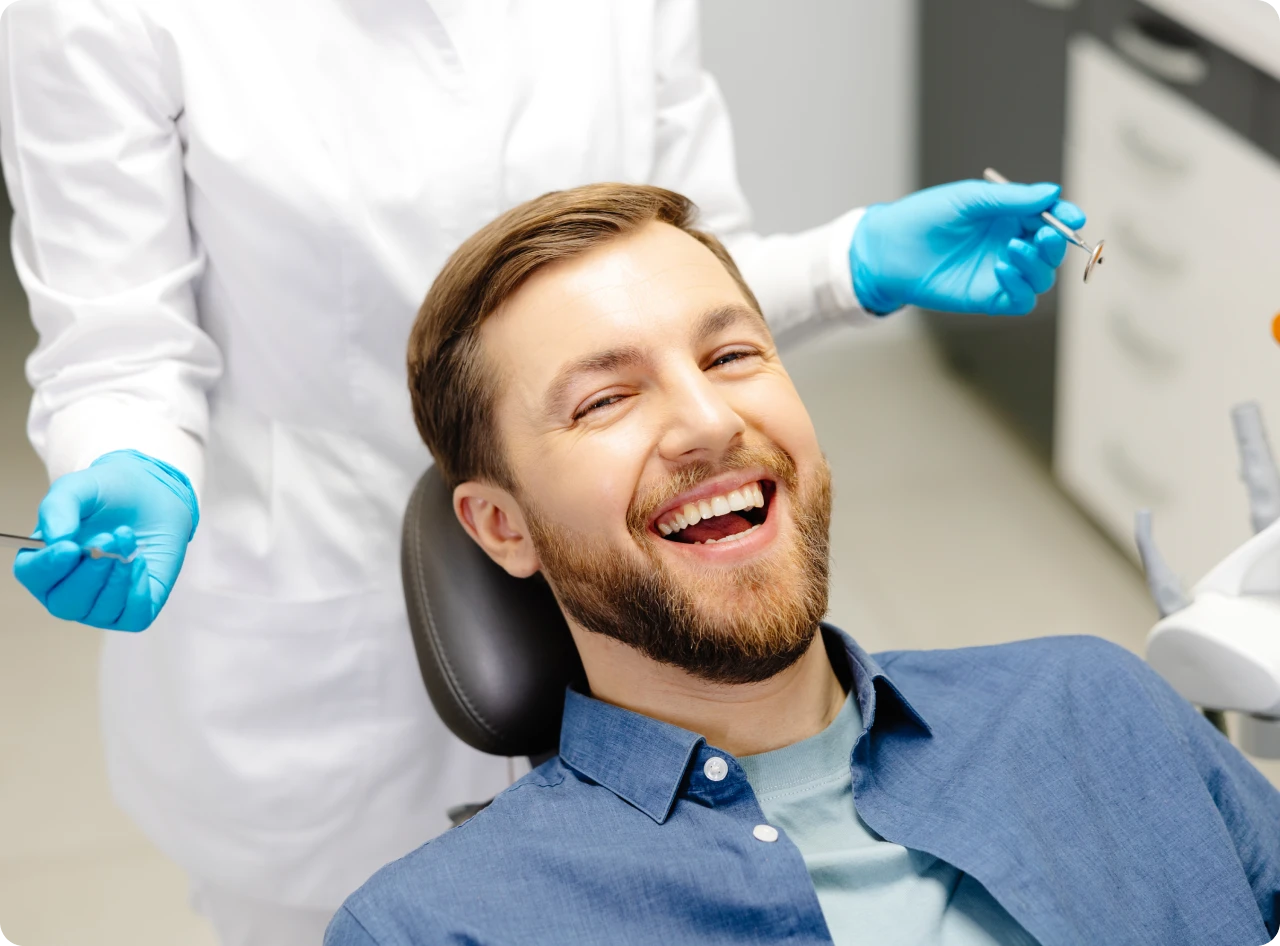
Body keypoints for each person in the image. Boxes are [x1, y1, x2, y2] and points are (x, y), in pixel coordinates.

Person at [1, 2, 1084, 940]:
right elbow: (119, 337)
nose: (706, 420)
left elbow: (667, 277)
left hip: (617, 612)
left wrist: (847, 262)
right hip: (317, 631)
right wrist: (130, 455)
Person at [325, 182, 1280, 946]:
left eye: (732, 355)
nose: (709, 422)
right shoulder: (433, 928)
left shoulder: (1096, 703)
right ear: (503, 527)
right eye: (605, 401)